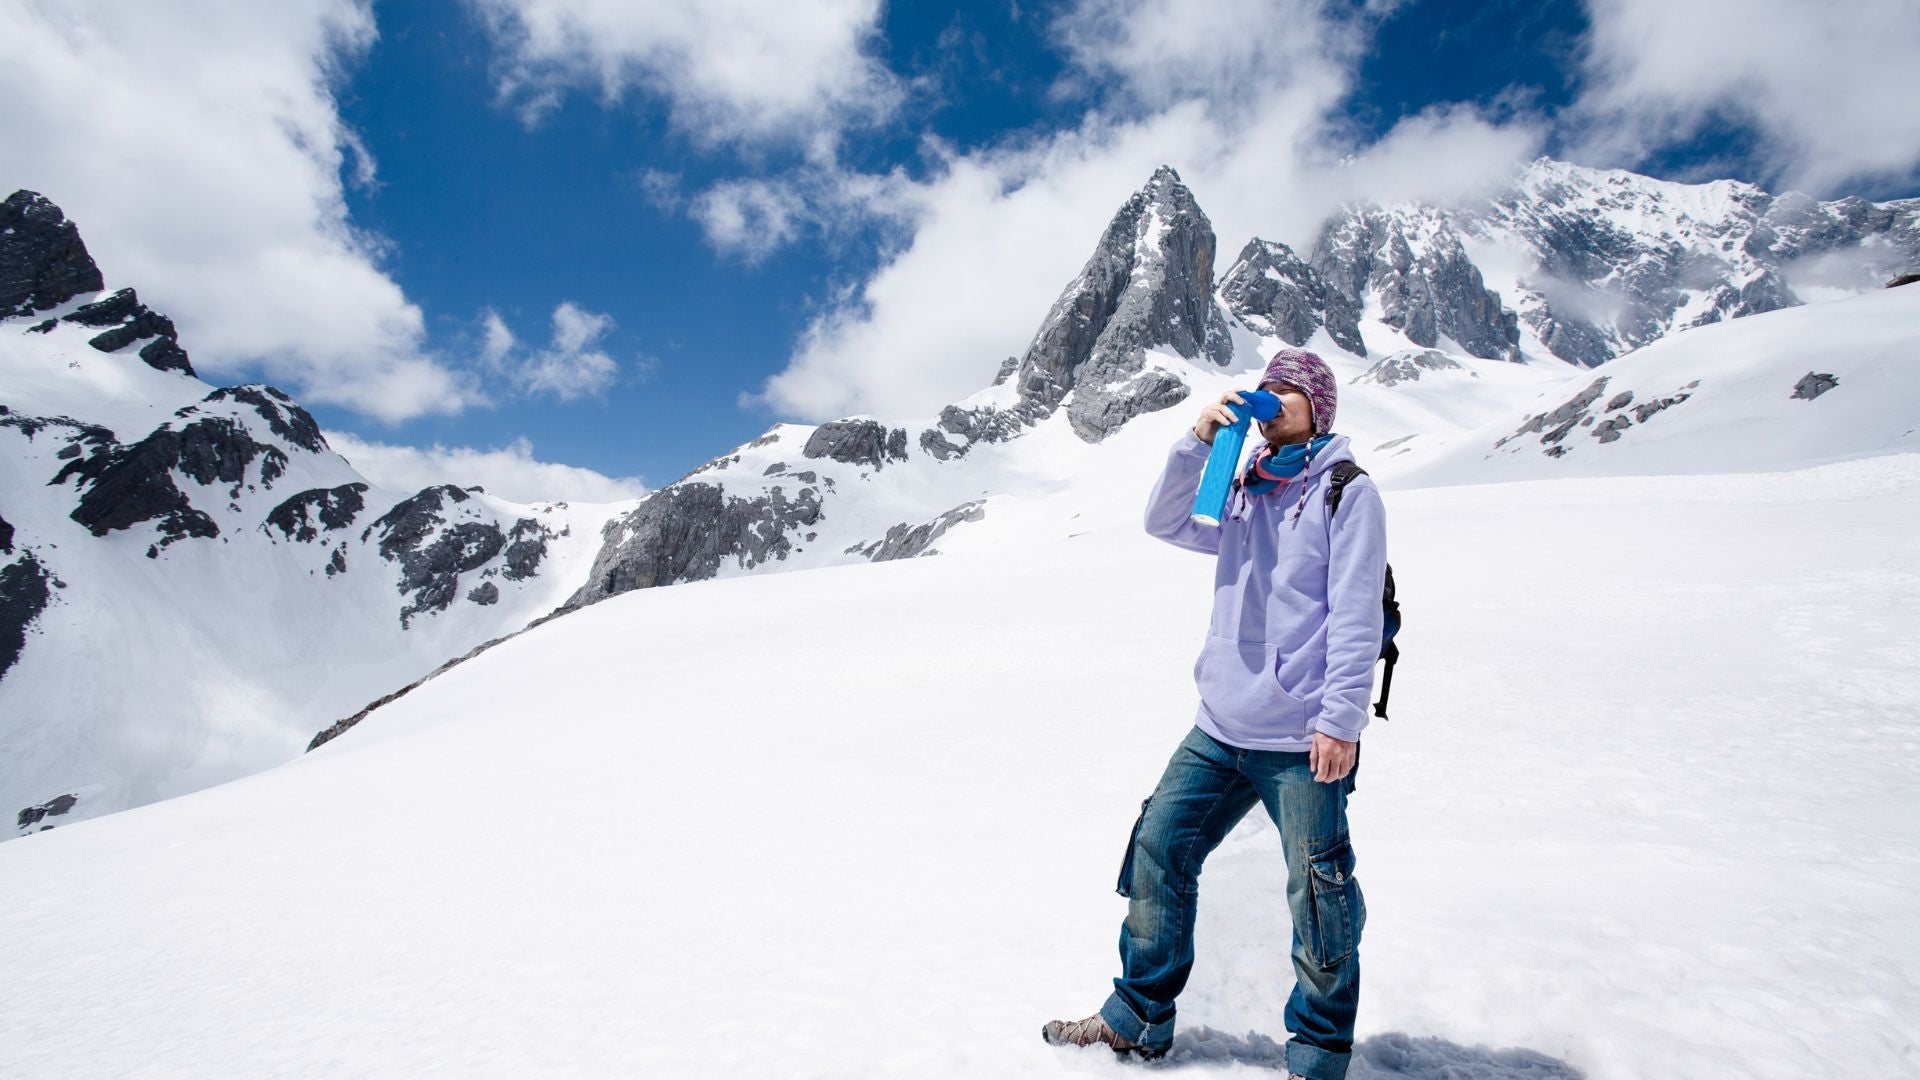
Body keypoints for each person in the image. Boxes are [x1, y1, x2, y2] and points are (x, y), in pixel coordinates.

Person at [1042, 348, 1388, 1080]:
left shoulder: (1345, 493)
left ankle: (1319, 1053)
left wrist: (1342, 720)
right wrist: (1199, 440)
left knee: (1318, 893)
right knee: (1159, 849)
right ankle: (1137, 1017)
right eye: (1267, 386)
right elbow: (1166, 521)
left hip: (1299, 735)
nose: (1274, 396)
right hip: (1218, 725)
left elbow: (1357, 613)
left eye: (1291, 389)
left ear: (1319, 407)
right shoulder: (1245, 488)